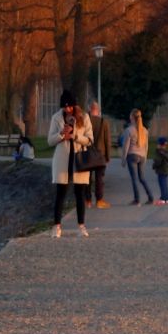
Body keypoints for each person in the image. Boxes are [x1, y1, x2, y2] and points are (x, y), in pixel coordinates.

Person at [48, 91, 94, 238]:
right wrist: (62, 134)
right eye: (64, 107)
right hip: (62, 160)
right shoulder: (56, 118)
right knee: (60, 194)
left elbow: (90, 139)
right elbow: (50, 140)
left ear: (74, 105)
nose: (67, 109)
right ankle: (57, 226)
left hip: (79, 159)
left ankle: (81, 226)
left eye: (69, 107)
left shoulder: (84, 117)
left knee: (79, 194)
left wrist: (74, 135)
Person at [120, 108, 155, 205]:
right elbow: (146, 145)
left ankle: (137, 199)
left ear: (132, 117)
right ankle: (151, 197)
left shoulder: (129, 130)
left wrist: (123, 159)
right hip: (142, 156)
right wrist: (145, 156)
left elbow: (126, 146)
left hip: (132, 156)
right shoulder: (145, 130)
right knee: (142, 178)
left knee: (134, 178)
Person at [84, 101, 112, 209]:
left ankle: (88, 200)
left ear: (89, 109)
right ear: (98, 110)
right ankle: (99, 200)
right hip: (100, 154)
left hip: (88, 152)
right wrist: (108, 157)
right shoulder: (103, 122)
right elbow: (107, 141)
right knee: (99, 178)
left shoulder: (85, 122)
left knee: (87, 178)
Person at [152, 136, 168, 206]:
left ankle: (163, 199)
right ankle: (166, 199)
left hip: (161, 170)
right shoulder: (166, 152)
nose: (156, 145)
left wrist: (154, 166)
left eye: (157, 144)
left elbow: (158, 161)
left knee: (162, 185)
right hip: (166, 170)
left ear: (160, 144)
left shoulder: (160, 152)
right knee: (165, 184)